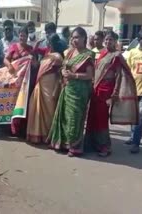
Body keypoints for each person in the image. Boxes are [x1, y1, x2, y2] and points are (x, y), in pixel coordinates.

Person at [85, 31, 138, 157]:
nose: (108, 42)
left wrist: (115, 93)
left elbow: (119, 75)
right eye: (107, 40)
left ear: (115, 41)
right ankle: (93, 143)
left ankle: (105, 146)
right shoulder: (103, 53)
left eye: (111, 40)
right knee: (93, 116)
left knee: (102, 119)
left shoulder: (117, 55)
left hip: (107, 91)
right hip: (96, 89)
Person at [47, 27, 95, 157]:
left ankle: (75, 147)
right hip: (67, 88)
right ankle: (63, 143)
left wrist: (74, 76)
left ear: (84, 38)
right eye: (73, 37)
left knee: (75, 117)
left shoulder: (88, 55)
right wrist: (63, 72)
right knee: (65, 117)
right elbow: (64, 66)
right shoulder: (69, 52)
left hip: (80, 91)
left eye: (77, 37)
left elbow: (90, 75)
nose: (75, 40)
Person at [27, 34, 63, 143]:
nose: (47, 43)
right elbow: (34, 53)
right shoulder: (47, 53)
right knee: (35, 108)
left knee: (49, 111)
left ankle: (50, 136)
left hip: (50, 85)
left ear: (53, 43)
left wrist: (56, 89)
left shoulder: (58, 57)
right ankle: (39, 134)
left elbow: (60, 75)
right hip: (40, 85)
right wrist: (36, 44)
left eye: (49, 42)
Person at [4, 26, 34, 137]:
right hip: (14, 80)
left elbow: (35, 64)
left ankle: (22, 129)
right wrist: (9, 65)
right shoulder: (13, 47)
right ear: (19, 36)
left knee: (23, 103)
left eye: (25, 36)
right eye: (21, 35)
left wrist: (32, 59)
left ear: (27, 37)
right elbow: (5, 59)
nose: (23, 38)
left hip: (25, 82)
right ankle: (12, 129)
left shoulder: (30, 49)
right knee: (12, 103)